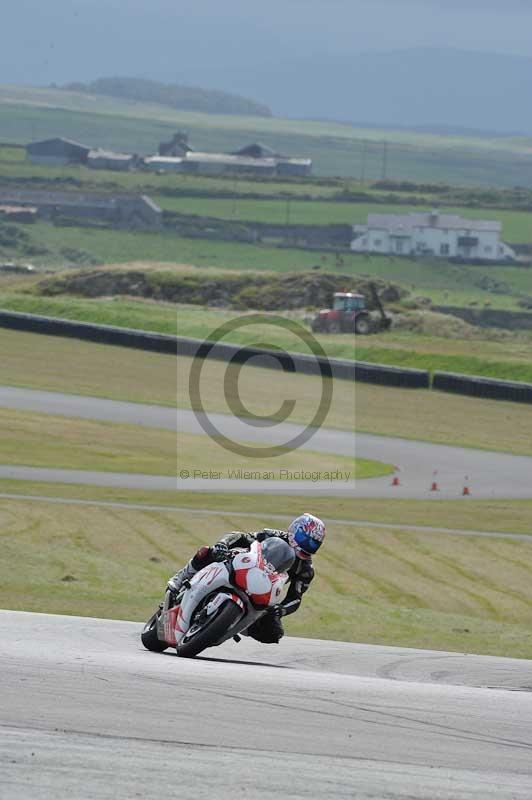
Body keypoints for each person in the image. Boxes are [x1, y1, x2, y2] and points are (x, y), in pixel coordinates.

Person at [168, 513, 326, 644]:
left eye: (314, 544)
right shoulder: (272, 535)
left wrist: (281, 610)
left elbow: (295, 598)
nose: (308, 546)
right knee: (208, 551)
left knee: (274, 633)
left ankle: (232, 624)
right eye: (306, 540)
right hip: (241, 566)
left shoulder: (305, 570)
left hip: (263, 589)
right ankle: (181, 577)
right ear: (294, 530)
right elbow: (241, 536)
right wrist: (223, 544)